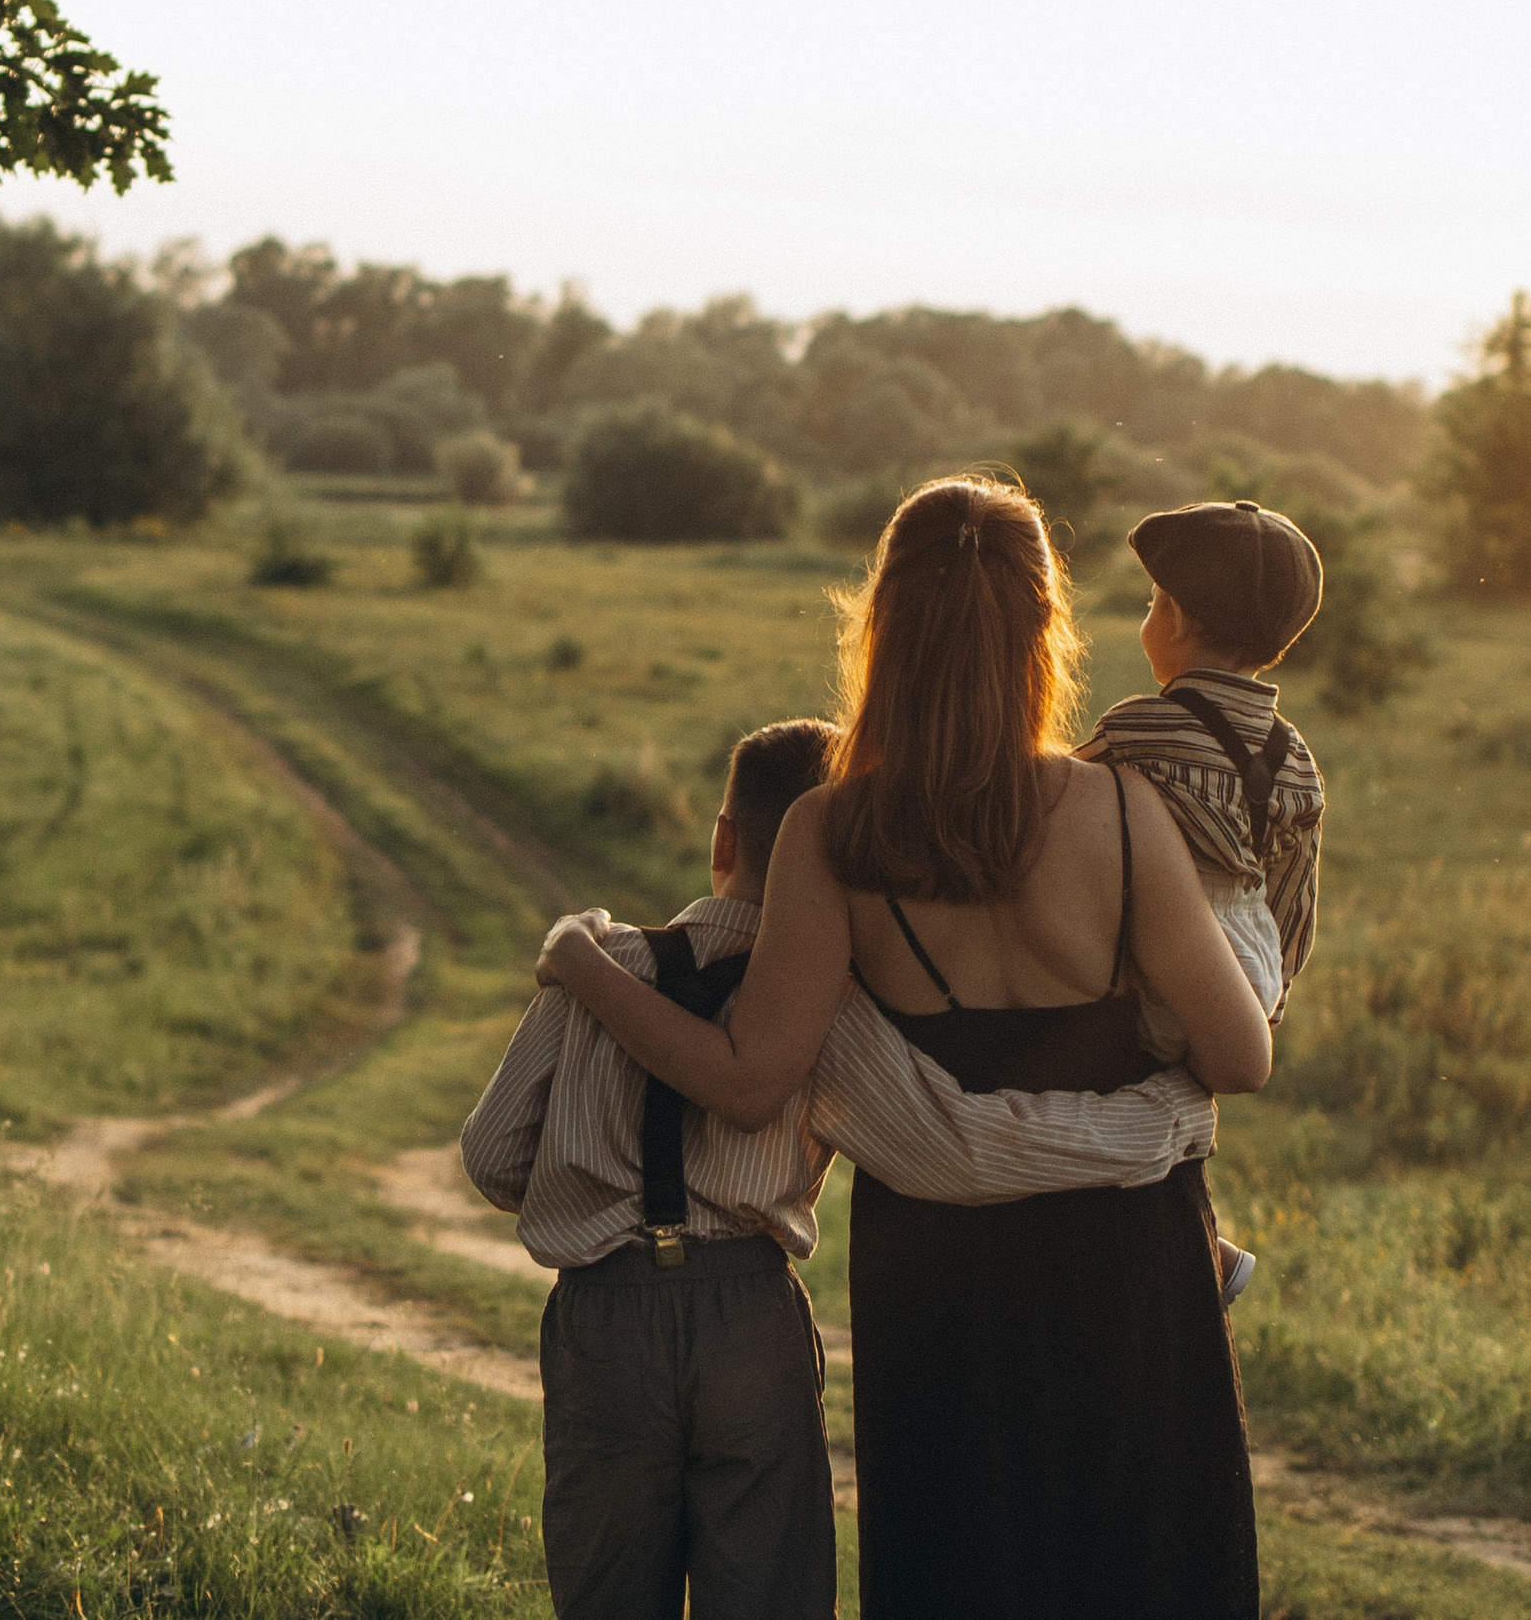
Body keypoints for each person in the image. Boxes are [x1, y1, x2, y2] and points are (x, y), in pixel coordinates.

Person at [538, 476, 1272, 1620]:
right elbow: (1240, 1058)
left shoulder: (835, 829)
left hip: (942, 1287)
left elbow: (749, 1082)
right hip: (1124, 1269)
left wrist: (588, 971)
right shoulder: (1121, 813)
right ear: (1044, 632)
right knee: (1134, 1569)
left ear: (882, 627)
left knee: (963, 1573)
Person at [464, 717, 1221, 1620]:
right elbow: (958, 1144)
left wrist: (587, 1188)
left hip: (602, 1319)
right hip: (747, 1315)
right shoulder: (823, 1006)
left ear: (722, 839)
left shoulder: (599, 964)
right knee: (770, 1588)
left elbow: (491, 1152)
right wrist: (1153, 1126)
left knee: (606, 1587)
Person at [1078, 497, 1330, 1303]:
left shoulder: (1141, 729)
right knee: (1174, 1110)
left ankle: (1174, 1248)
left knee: (1092, 1089)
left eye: (1154, 603)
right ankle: (1201, 1243)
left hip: (1161, 961)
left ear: (1177, 619)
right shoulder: (1296, 761)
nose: (1148, 618)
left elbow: (1053, 803)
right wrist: (1262, 999)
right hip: (1243, 976)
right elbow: (1294, 911)